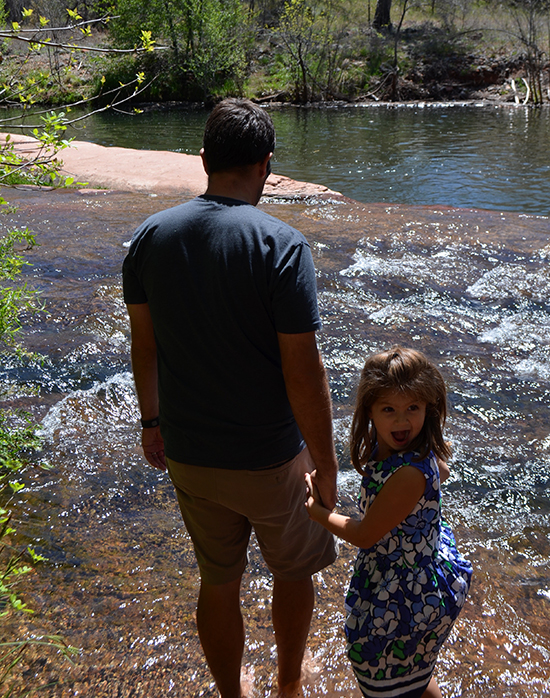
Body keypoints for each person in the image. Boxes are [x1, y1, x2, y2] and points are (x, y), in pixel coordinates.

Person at [122, 98, 338, 698]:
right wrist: (324, 462)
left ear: (204, 160)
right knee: (293, 571)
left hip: (190, 452)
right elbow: (303, 368)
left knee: (218, 580)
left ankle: (230, 694)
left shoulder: (149, 238)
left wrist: (152, 421)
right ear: (266, 165)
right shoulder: (281, 245)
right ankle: (289, 683)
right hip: (270, 458)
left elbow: (146, 346)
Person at [305, 346, 472, 698]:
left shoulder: (408, 473)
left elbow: (365, 535)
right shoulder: (410, 454)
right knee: (413, 676)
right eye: (389, 410)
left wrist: (317, 512)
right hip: (416, 580)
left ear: (429, 407)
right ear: (369, 411)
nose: (402, 421)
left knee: (382, 684)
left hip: (405, 596)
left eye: (413, 408)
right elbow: (439, 470)